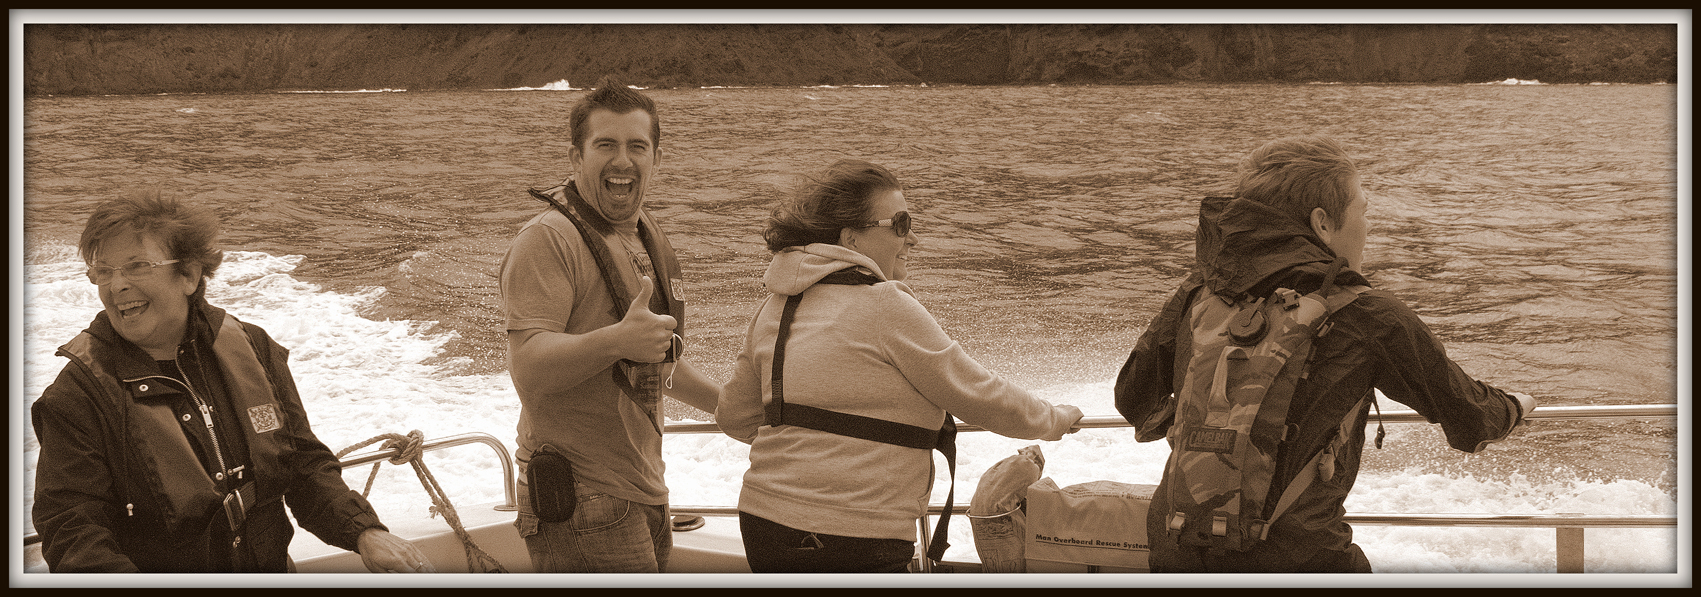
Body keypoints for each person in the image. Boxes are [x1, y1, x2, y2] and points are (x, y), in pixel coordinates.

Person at [1113, 136, 1537, 573]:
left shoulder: (1199, 291)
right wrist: (1515, 406)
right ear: (1322, 224)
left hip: (1176, 549)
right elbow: (1471, 420)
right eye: (1363, 212)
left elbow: (1131, 397)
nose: (1367, 228)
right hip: (1300, 559)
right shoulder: (1368, 314)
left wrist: (1211, 425)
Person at [31, 188, 435, 573]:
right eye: (103, 271)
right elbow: (73, 529)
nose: (116, 285)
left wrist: (364, 532)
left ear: (189, 275)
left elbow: (302, 465)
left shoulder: (253, 348)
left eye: (137, 266)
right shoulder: (78, 395)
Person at [717, 159, 1085, 573]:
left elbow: (734, 415)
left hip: (762, 522)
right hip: (852, 534)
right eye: (900, 224)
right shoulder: (884, 304)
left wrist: (810, 448)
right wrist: (1054, 419)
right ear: (851, 238)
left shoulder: (776, 306)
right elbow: (978, 393)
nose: (912, 238)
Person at [498, 77, 721, 573]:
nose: (623, 160)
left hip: (644, 489)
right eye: (605, 145)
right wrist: (617, 340)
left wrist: (730, 410)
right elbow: (528, 368)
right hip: (581, 498)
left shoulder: (643, 237)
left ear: (657, 158)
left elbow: (658, 362)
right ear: (576, 157)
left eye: (637, 146)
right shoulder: (546, 241)